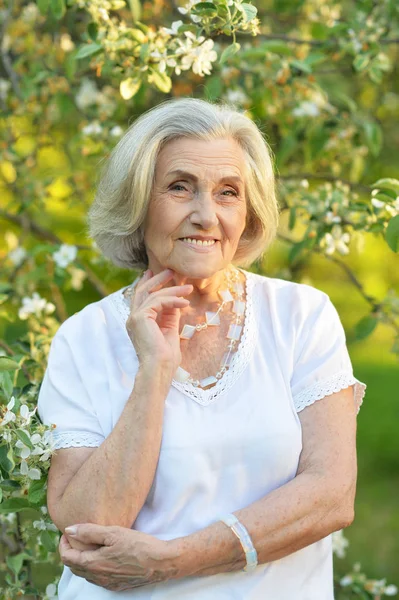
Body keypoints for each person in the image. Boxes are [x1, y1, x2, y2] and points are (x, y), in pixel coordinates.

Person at [37, 97, 366, 599]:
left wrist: (175, 560)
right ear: (138, 202)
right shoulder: (83, 339)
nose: (205, 215)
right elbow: (88, 528)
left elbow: (331, 495)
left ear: (249, 211)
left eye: (228, 193)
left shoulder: (301, 316)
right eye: (179, 187)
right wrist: (154, 370)